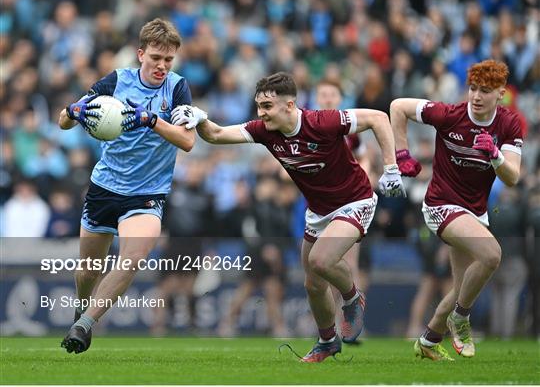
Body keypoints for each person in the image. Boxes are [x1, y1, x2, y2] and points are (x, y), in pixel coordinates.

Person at [172, 72, 406, 362]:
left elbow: (379, 118)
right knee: (312, 284)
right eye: (259, 106)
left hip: (355, 201)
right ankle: (327, 341)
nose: (261, 113)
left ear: (290, 105)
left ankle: (351, 297)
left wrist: (391, 168)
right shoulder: (264, 130)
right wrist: (200, 117)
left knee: (321, 260)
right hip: (318, 211)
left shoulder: (323, 121)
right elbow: (217, 135)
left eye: (267, 106)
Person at [57, 18, 195, 353]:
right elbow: (63, 120)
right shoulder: (117, 80)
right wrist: (74, 111)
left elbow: (187, 141)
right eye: (156, 58)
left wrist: (151, 120)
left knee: (133, 256)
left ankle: (84, 324)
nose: (162, 66)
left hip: (147, 193)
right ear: (140, 54)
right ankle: (83, 306)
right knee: (89, 270)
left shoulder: (177, 89)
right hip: (105, 187)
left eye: (168, 60)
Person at [390, 59, 523, 360]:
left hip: (474, 212)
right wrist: (401, 154)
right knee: (491, 255)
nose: (476, 96)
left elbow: (512, 177)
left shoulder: (508, 124)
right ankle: (461, 320)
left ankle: (428, 339)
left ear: (500, 93)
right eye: (473, 88)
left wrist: (496, 156)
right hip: (440, 204)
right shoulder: (449, 114)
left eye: (485, 91)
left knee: (461, 287)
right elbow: (398, 107)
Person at [315, 79, 372, 334]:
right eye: (323, 94)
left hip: (348, 205)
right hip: (317, 207)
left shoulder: (348, 128)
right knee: (317, 268)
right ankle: (327, 324)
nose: (327, 98)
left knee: (348, 264)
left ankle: (350, 323)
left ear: (339, 98)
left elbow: (363, 157)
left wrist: (366, 174)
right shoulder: (309, 124)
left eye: (332, 94)